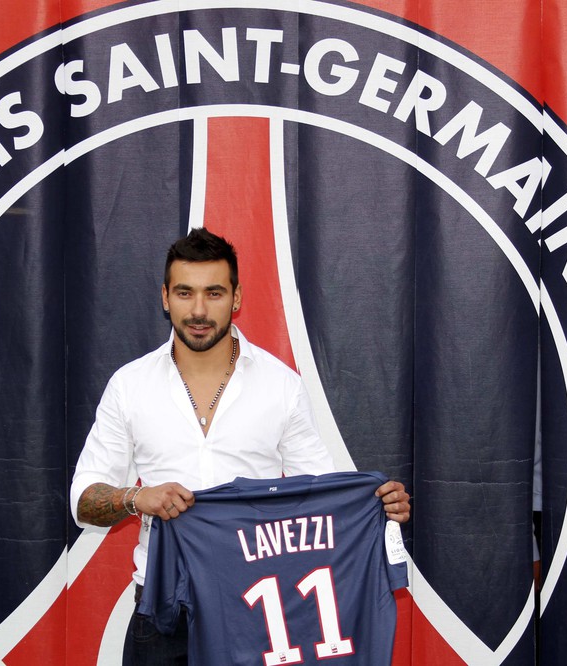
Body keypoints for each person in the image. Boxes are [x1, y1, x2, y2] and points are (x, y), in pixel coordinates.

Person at [69, 227, 411, 665]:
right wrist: (137, 498)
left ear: (236, 297)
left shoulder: (280, 384)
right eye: (185, 293)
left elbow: (323, 493)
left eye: (213, 293)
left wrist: (375, 505)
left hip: (256, 611)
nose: (198, 310)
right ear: (165, 298)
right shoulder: (129, 386)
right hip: (164, 614)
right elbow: (84, 501)